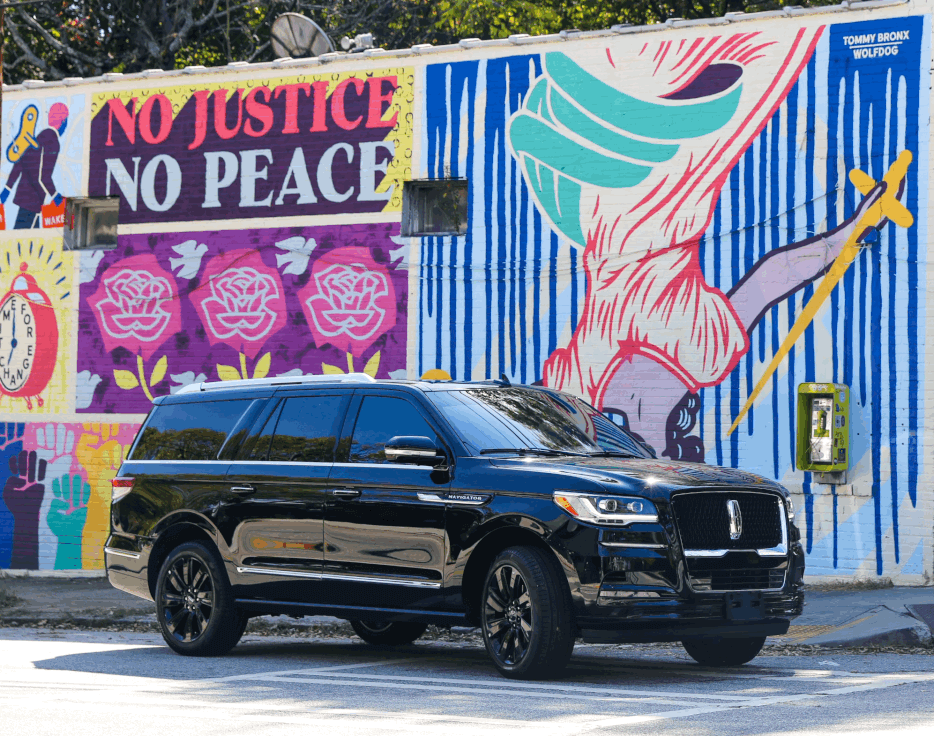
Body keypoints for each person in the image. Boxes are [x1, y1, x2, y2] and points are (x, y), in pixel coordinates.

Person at [1, 102, 67, 229]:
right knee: (21, 238)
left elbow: (20, 162)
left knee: (31, 239)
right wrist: (55, 196)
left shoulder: (40, 137)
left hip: (26, 197)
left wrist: (7, 189)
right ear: (63, 121)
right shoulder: (52, 142)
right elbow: (44, 176)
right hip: (32, 200)